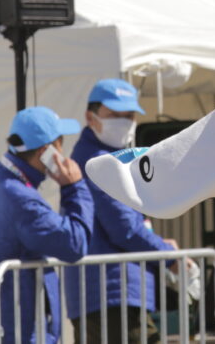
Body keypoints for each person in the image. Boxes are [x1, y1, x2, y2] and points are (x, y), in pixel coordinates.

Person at [0, 106, 93, 344]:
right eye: (60, 144)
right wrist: (74, 187)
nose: (64, 152)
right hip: (16, 332)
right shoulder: (21, 199)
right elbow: (75, 244)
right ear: (45, 152)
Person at [64, 79, 179, 343]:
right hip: (113, 290)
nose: (124, 122)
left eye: (129, 115)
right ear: (90, 117)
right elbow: (124, 227)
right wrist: (168, 255)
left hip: (112, 290)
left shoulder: (106, 155)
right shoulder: (98, 160)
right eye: (114, 115)